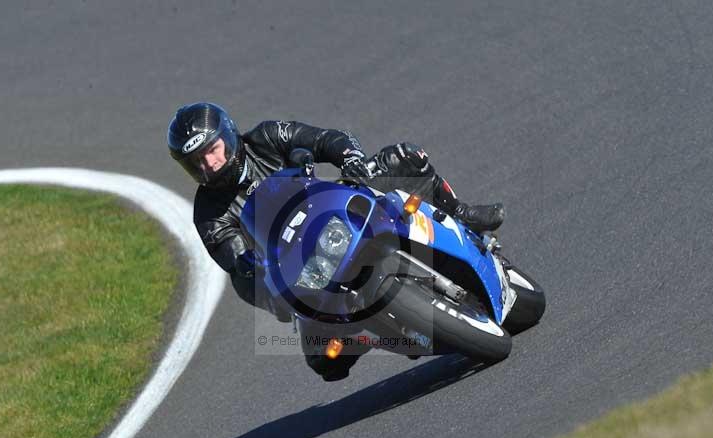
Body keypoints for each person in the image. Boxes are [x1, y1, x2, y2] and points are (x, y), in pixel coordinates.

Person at [168, 102, 505, 381]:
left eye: (211, 150)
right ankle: (370, 332)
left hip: (341, 213)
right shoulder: (209, 214)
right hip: (304, 274)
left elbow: (326, 139)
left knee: (406, 156)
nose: (208, 164)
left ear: (227, 136)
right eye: (195, 162)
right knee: (326, 360)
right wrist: (262, 283)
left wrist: (351, 159)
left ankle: (462, 215)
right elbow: (235, 261)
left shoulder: (267, 137)